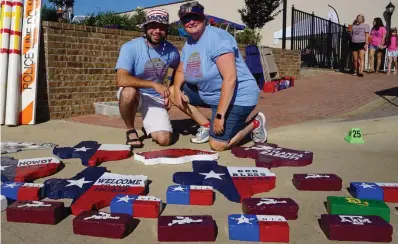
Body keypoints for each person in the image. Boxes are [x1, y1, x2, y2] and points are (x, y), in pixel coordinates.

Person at [168, 1, 267, 152]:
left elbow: (230, 78)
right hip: (211, 95)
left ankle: (255, 123)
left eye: (195, 17)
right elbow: (181, 71)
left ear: (204, 18)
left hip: (238, 98)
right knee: (172, 92)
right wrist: (176, 89)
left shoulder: (217, 38)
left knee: (218, 145)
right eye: (186, 19)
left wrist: (220, 116)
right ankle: (207, 126)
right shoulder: (189, 43)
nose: (191, 21)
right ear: (182, 23)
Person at [115, 9, 180, 147]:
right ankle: (131, 131)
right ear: (145, 28)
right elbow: (121, 79)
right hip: (135, 93)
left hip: (155, 97)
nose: (157, 30)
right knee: (128, 92)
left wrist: (172, 89)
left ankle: (150, 127)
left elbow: (179, 69)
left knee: (165, 140)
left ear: (166, 30)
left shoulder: (171, 51)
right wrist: (154, 84)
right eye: (153, 26)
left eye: (162, 27)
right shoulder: (130, 47)